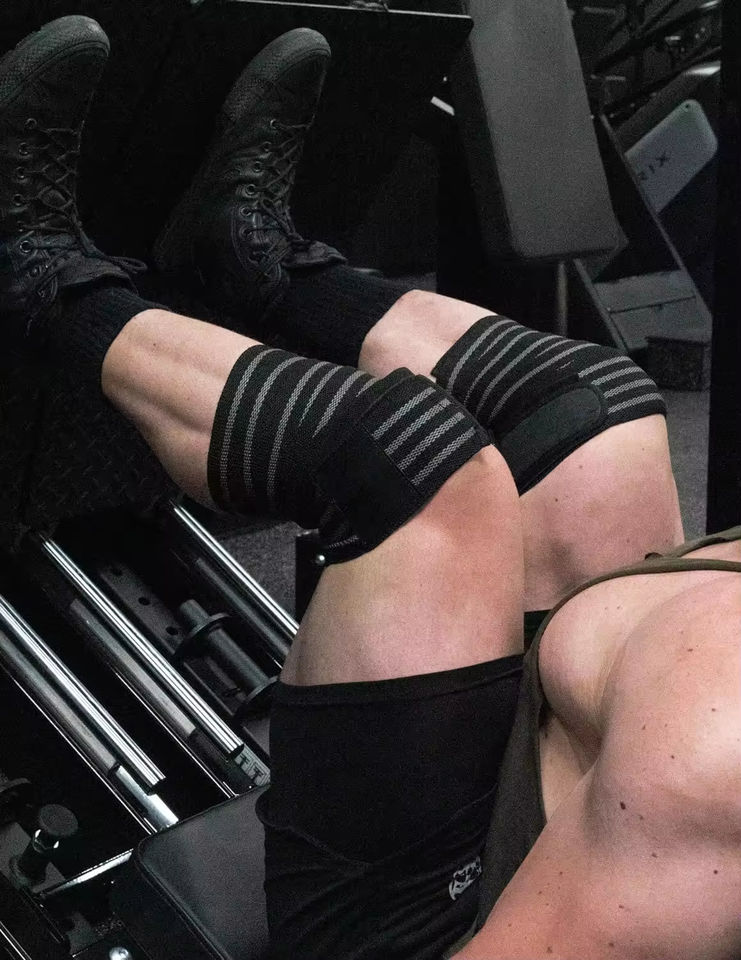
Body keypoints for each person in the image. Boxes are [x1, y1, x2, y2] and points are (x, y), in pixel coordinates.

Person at [1, 16, 739, 960]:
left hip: (440, 921)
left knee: (407, 467)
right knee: (592, 406)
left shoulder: (710, 762)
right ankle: (253, 269)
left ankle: (37, 284)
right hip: (581, 765)